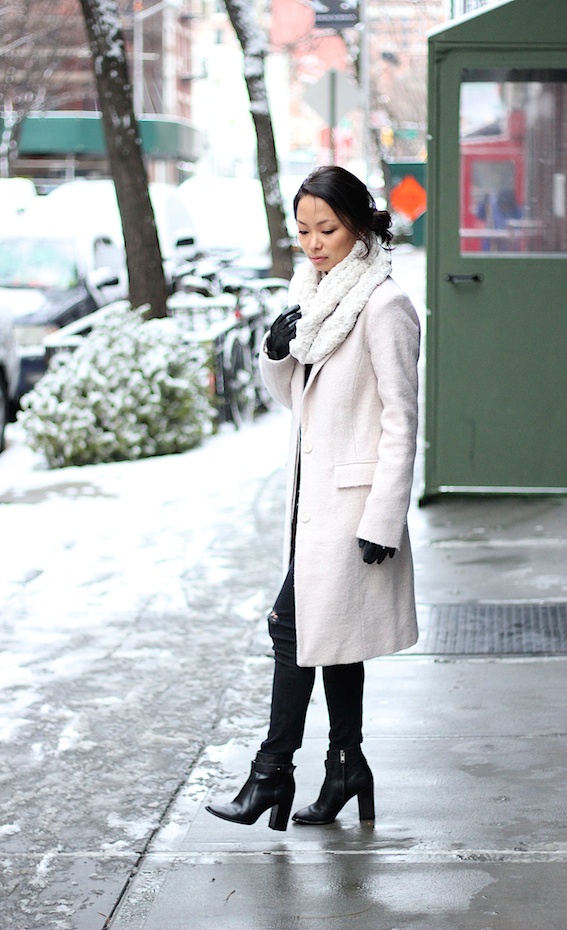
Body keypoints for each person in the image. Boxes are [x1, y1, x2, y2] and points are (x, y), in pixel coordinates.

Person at [206, 165, 420, 831]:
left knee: (291, 627)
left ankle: (271, 773)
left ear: (359, 225)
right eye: (303, 230)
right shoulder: (315, 299)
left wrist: (385, 517)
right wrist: (278, 356)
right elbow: (303, 406)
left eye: (326, 228)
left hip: (355, 509)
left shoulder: (383, 307)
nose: (314, 243)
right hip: (315, 498)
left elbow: (401, 420)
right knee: (335, 636)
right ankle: (346, 767)